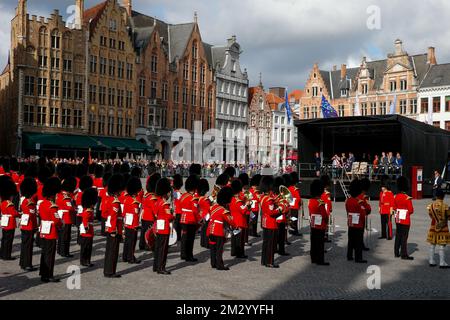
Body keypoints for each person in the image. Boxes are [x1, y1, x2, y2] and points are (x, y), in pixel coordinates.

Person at [39, 177, 63, 282]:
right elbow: (57, 221)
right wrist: (61, 224)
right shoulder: (52, 206)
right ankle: (48, 274)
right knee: (50, 254)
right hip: (51, 232)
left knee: (44, 253)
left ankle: (43, 273)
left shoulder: (42, 204)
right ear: (53, 194)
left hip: (44, 230)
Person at [207, 187, 236, 271]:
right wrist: (235, 226)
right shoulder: (223, 210)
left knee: (213, 248)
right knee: (219, 249)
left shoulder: (213, 207)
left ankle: (213, 263)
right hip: (218, 231)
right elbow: (230, 221)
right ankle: (220, 265)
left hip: (210, 230)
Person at [103, 174, 124, 278]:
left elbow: (105, 214)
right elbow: (113, 217)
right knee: (112, 251)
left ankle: (107, 270)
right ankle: (110, 271)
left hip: (110, 228)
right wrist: (113, 230)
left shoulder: (109, 199)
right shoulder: (115, 202)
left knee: (109, 250)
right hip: (114, 230)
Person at [153, 178, 174, 275]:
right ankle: (161, 267)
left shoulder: (157, 202)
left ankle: (156, 266)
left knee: (157, 247)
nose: (169, 194)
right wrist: (173, 215)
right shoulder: (165, 204)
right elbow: (169, 217)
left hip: (158, 226)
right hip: (164, 228)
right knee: (163, 249)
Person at [260, 176, 282, 268]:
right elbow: (271, 212)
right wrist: (280, 209)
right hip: (271, 223)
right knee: (270, 244)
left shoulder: (263, 197)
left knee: (265, 242)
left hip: (265, 222)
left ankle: (264, 260)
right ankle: (269, 262)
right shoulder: (269, 200)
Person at [180, 175, 201, 262]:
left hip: (183, 219)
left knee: (184, 238)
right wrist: (200, 219)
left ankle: (183, 254)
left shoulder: (183, 195)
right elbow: (195, 211)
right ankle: (189, 255)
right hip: (190, 220)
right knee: (190, 239)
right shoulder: (193, 198)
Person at [427, 190, 450, 269]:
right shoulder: (445, 206)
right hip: (443, 227)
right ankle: (442, 262)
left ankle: (431, 260)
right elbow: (449, 217)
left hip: (433, 226)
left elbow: (430, 215)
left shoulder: (431, 205)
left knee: (432, 244)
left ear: (436, 196)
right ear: (443, 197)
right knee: (442, 245)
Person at [19, 177, 38, 271]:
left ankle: (23, 263)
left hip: (24, 225)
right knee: (28, 246)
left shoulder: (24, 201)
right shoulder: (30, 202)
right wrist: (36, 226)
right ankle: (27, 264)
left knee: (24, 244)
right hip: (29, 226)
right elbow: (32, 216)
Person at [346, 179, 367, 263]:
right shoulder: (359, 201)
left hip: (351, 223)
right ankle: (358, 258)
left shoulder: (348, 200)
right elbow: (363, 213)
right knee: (358, 241)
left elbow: (347, 210)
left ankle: (349, 255)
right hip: (358, 224)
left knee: (350, 240)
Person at [122, 177, 142, 264]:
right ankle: (131, 257)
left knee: (127, 240)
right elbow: (135, 215)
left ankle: (125, 256)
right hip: (133, 224)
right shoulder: (135, 202)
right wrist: (135, 225)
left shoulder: (126, 199)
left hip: (126, 222)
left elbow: (124, 213)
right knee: (132, 241)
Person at [309, 179, 329, 266]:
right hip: (320, 225)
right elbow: (324, 215)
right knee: (320, 243)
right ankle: (320, 260)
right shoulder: (320, 202)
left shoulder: (311, 201)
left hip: (313, 224)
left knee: (313, 242)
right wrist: (326, 221)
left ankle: (313, 258)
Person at [394, 176, 414, 260]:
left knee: (398, 235)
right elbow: (411, 210)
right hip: (405, 220)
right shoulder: (407, 198)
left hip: (398, 219)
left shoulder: (396, 196)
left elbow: (394, 208)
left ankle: (396, 252)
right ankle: (404, 254)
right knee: (404, 237)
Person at [56, 176, 77, 258]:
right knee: (66, 236)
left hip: (61, 217)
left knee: (61, 235)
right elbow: (70, 208)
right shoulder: (66, 198)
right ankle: (65, 252)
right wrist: (74, 208)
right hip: (66, 218)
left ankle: (60, 250)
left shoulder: (59, 194)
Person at [0, 178, 20, 261]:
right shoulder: (9, 204)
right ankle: (6, 255)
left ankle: (2, 253)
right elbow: (14, 213)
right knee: (8, 240)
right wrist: (20, 214)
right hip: (10, 224)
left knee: (4, 239)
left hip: (4, 223)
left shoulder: (3, 203)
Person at [139, 174, 160, 251]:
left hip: (144, 216)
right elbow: (155, 210)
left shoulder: (146, 195)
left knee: (143, 231)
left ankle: (142, 244)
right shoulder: (152, 197)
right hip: (150, 217)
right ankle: (148, 245)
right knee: (149, 233)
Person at [230, 179, 249, 259]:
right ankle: (240, 253)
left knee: (234, 237)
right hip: (240, 222)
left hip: (233, 221)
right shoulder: (238, 201)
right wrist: (247, 204)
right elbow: (244, 210)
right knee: (240, 239)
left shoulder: (232, 199)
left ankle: (233, 252)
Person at [79, 188, 98, 267]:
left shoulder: (88, 209)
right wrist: (86, 228)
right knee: (86, 247)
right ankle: (84, 261)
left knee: (88, 247)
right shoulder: (88, 211)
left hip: (89, 231)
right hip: (87, 232)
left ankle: (86, 260)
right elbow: (85, 220)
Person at [273, 176, 290, 256]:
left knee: (275, 234)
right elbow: (285, 209)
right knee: (281, 235)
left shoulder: (273, 196)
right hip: (281, 217)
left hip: (275, 217)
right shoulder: (281, 197)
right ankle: (281, 250)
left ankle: (274, 248)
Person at [358, 178, 372, 251]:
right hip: (361, 218)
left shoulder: (356, 196)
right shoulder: (363, 197)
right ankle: (360, 246)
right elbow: (368, 209)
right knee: (360, 233)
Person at [197, 179, 212, 249]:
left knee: (203, 229)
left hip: (202, 215)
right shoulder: (205, 199)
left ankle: (202, 242)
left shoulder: (200, 198)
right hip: (207, 215)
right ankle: (206, 243)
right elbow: (209, 208)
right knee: (206, 229)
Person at [288, 172, 302, 237]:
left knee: (292, 218)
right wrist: (300, 203)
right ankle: (294, 231)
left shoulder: (289, 188)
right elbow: (298, 198)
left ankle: (291, 229)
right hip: (295, 206)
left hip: (290, 206)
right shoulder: (295, 189)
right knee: (294, 219)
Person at [320, 175, 332, 243]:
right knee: (326, 224)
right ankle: (325, 236)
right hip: (325, 210)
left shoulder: (321, 192)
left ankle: (325, 236)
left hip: (321, 210)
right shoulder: (327, 194)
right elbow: (329, 203)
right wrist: (330, 209)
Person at [172, 174, 183, 242]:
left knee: (177, 226)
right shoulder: (177, 192)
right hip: (177, 210)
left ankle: (177, 237)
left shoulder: (177, 193)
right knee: (177, 226)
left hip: (178, 211)